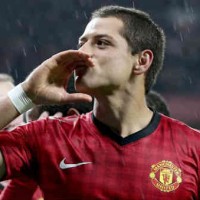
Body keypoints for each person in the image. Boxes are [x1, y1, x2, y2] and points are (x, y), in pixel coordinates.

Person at [0, 5, 199, 199]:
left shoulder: (193, 147)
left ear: (142, 61)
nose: (82, 53)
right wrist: (26, 94)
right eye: (81, 43)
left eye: (102, 43)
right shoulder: (46, 137)